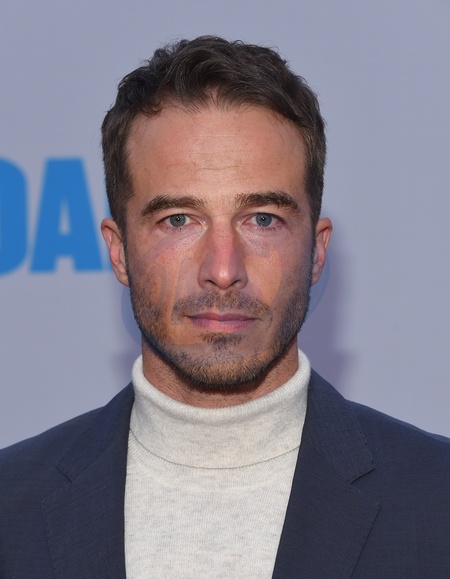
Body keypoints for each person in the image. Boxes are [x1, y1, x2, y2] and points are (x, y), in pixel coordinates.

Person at [1, 36, 449, 579]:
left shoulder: (437, 497)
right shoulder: (11, 505)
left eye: (262, 219)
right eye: (178, 220)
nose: (222, 267)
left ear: (316, 251)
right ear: (118, 252)